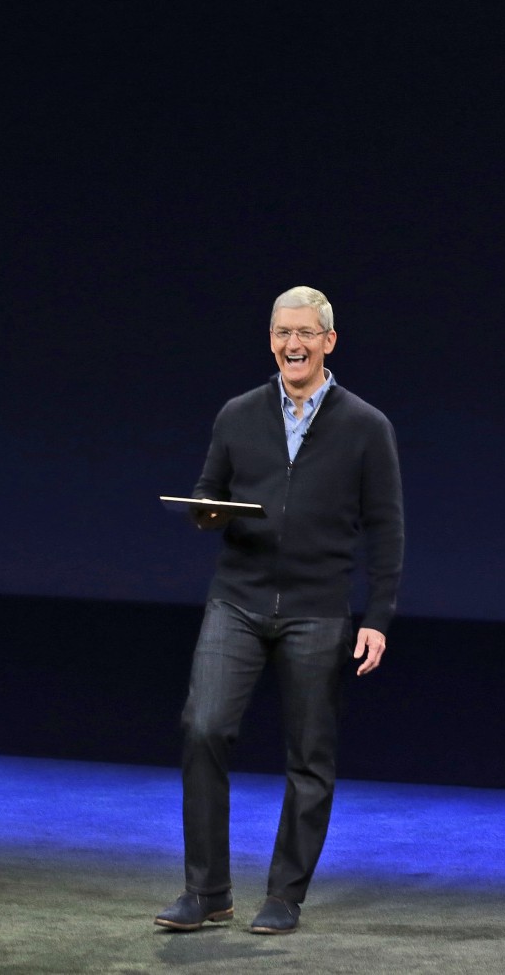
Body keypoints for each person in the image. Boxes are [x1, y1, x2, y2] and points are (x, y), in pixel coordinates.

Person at [153, 285, 404, 936]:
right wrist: (207, 511)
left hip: (318, 609)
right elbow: (210, 490)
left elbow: (386, 529)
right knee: (203, 726)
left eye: (305, 334)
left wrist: (376, 617)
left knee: (309, 755)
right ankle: (206, 891)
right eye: (282, 334)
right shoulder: (238, 414)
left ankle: (284, 895)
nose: (293, 345)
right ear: (271, 341)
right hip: (236, 600)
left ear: (328, 342)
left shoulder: (365, 426)